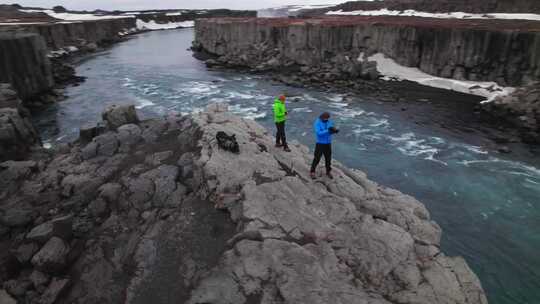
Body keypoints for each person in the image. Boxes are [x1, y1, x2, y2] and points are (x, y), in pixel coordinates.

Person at [310, 112, 339, 179]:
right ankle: (312, 171)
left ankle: (328, 171)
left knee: (328, 158)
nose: (326, 120)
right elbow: (319, 133)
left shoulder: (329, 122)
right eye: (325, 119)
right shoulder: (317, 122)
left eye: (327, 119)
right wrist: (328, 131)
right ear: (322, 117)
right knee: (317, 158)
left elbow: (330, 130)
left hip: (328, 143)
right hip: (320, 143)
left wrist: (334, 131)